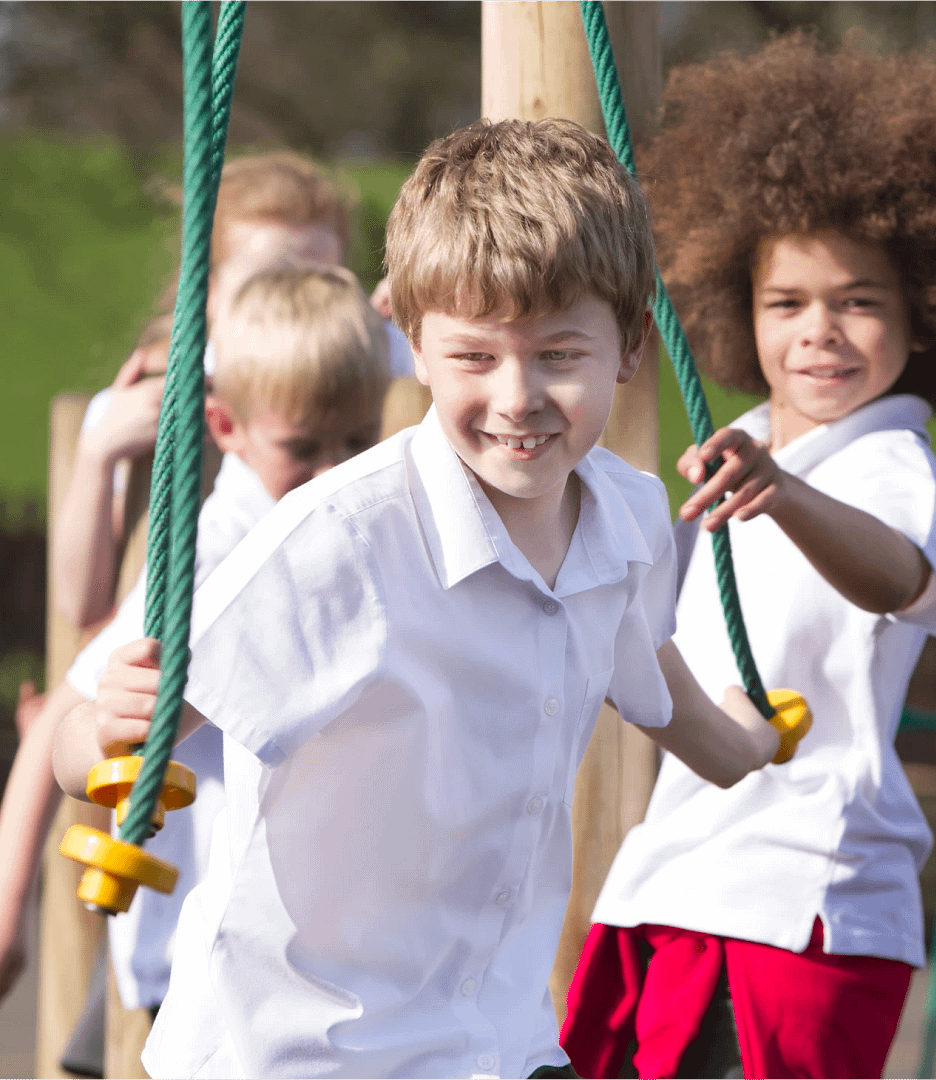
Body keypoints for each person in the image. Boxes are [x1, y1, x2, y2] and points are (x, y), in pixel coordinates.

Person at [52, 118, 803, 1080]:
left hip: (492, 1037)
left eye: (559, 355)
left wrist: (742, 743)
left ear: (627, 344)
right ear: (412, 343)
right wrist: (101, 735)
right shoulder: (340, 545)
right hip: (304, 1051)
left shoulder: (624, 515)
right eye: (475, 357)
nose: (518, 396)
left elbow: (640, 656)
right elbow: (100, 737)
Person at [559, 32, 936, 1080]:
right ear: (734, 307)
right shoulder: (735, 447)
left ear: (928, 311)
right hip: (672, 878)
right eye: (785, 302)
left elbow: (894, 572)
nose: (819, 333)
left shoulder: (884, 458)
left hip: (798, 903)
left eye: (859, 301)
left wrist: (784, 494)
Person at [0, 262, 389, 1025]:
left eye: (359, 439)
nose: (333, 471)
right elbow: (70, 717)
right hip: (202, 948)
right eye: (304, 446)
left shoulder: (350, 521)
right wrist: (9, 903)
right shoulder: (212, 557)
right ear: (224, 428)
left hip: (309, 943)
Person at [52, 150, 413, 633]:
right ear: (210, 290)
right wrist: (99, 456)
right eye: (270, 282)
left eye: (322, 282)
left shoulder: (380, 367)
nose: (295, 303)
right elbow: (82, 608)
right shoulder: (158, 398)